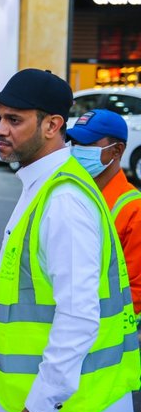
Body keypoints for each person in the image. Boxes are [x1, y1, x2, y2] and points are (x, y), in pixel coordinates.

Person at [0, 68, 139, 412]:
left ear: (52, 125)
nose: (1, 129)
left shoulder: (63, 200)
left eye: (14, 119)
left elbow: (79, 315)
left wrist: (41, 404)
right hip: (55, 403)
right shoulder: (45, 185)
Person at [68, 108, 141, 315]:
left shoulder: (134, 210)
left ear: (117, 150)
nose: (76, 150)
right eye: (74, 143)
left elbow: (136, 291)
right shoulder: (73, 193)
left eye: (87, 144)